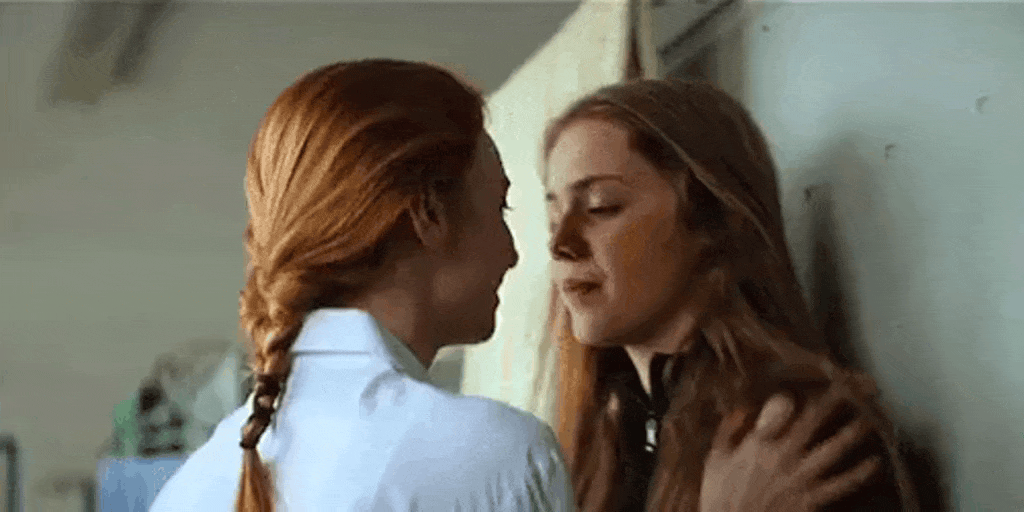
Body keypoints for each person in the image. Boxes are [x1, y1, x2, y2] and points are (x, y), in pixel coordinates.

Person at [150, 59, 873, 512]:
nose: (543, 249)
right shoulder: (502, 454)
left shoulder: (192, 486)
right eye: (506, 209)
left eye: (601, 206)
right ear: (430, 216)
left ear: (713, 217)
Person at [542, 78, 921, 511]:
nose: (560, 244)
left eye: (601, 206)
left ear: (712, 219)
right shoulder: (607, 436)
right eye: (553, 217)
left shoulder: (792, 429)